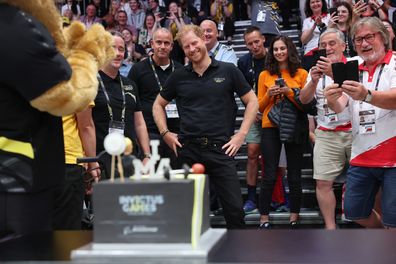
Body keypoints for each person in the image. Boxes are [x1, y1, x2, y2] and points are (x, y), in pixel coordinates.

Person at [0, 0, 113, 237]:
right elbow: (67, 94)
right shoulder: (15, 24)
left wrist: (57, 45)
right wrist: (87, 54)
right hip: (17, 178)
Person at [152, 25, 258, 229]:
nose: (192, 49)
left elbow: (252, 102)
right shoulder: (179, 76)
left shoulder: (228, 71)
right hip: (188, 150)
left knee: (235, 212)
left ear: (204, 40)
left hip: (221, 149)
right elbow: (158, 104)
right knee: (186, 212)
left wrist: (241, 135)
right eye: (186, 47)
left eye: (194, 43)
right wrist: (165, 133)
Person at [324, 17, 396, 229]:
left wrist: (367, 95)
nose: (364, 44)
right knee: (354, 212)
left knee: (394, 220)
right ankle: (384, 238)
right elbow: (341, 107)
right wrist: (331, 98)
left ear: (382, 38)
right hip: (361, 155)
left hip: (393, 158)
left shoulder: (394, 63)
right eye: (358, 40)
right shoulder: (353, 66)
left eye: (369, 37)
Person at [299, 28, 352, 230]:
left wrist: (333, 72)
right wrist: (313, 81)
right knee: (322, 183)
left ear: (343, 46)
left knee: (369, 181)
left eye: (332, 44)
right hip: (326, 133)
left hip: (356, 131)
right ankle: (331, 228)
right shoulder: (315, 70)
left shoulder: (354, 64)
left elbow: (346, 101)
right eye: (323, 45)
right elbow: (304, 100)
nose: (327, 48)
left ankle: (372, 225)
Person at [257, 35, 309, 229]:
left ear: (289, 50)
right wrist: (270, 96)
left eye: (282, 48)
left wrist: (288, 92)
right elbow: (259, 108)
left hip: (295, 126)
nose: (279, 52)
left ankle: (294, 215)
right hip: (270, 126)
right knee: (269, 173)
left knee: (294, 174)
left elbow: (305, 104)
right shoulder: (264, 75)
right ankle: (264, 216)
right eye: (276, 49)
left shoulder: (302, 73)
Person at [93, 32, 151, 176]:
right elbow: (85, 126)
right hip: (101, 160)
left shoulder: (130, 84)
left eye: (121, 49)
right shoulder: (91, 83)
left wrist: (147, 155)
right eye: (113, 48)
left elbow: (139, 123)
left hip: (130, 159)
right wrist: (91, 163)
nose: (118, 53)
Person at [128, 28, 183, 168]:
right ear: (152, 44)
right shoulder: (138, 69)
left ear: (172, 46)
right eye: (159, 42)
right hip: (150, 134)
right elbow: (132, 104)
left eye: (166, 43)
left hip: (177, 134)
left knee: (177, 181)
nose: (162, 46)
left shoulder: (181, 70)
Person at [52, 105, 100, 230]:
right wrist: (92, 164)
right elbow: (86, 127)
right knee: (68, 230)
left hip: (36, 162)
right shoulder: (79, 85)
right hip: (69, 163)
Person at [237, 26, 267, 213]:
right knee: (252, 154)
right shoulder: (243, 62)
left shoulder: (275, 56)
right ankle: (250, 197)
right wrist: (253, 111)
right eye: (250, 44)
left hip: (275, 113)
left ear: (263, 39)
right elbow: (242, 91)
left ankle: (278, 196)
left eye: (257, 41)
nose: (254, 46)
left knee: (276, 159)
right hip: (254, 115)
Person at [301, 0, 330, 70]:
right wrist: (314, 26)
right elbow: (303, 40)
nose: (315, 4)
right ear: (309, 5)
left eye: (317, 1)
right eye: (312, 2)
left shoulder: (329, 17)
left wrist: (321, 25)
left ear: (322, 3)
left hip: (328, 50)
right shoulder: (307, 21)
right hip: (311, 52)